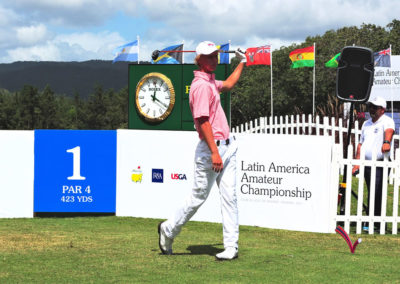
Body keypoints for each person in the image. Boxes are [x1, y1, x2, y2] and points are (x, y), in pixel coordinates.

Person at [158, 41, 247, 260]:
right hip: (211, 149)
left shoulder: (209, 81)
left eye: (215, 56)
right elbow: (203, 121)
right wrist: (215, 152)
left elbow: (227, 85)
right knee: (198, 197)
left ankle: (231, 247)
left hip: (228, 145)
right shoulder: (199, 86)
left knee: (230, 197)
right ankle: (168, 230)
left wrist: (242, 62)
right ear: (198, 60)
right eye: (209, 57)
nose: (214, 60)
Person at [352, 96, 394, 231]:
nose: (371, 109)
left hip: (380, 163)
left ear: (382, 109)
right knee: (372, 191)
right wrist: (357, 163)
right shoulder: (366, 124)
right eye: (370, 107)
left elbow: (389, 131)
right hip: (367, 163)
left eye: (375, 107)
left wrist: (386, 142)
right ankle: (373, 220)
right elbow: (360, 144)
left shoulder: (387, 121)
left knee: (377, 192)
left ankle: (376, 222)